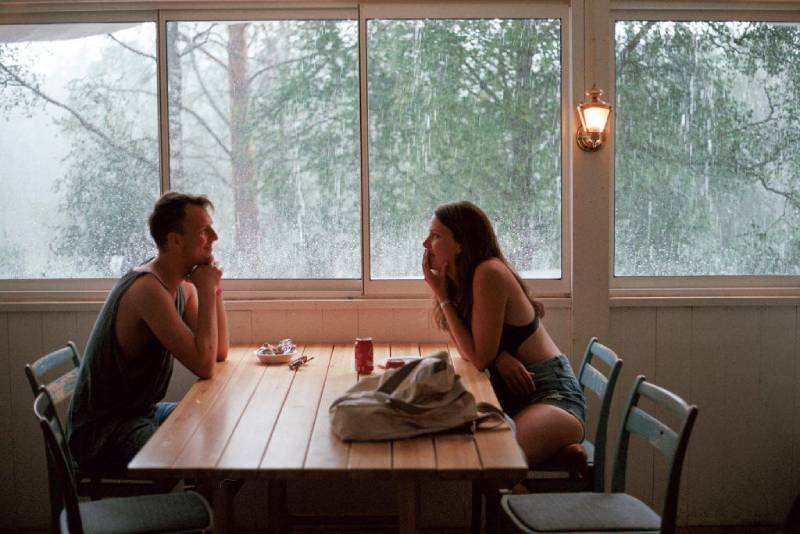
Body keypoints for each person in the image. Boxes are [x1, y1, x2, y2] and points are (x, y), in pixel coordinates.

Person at [67, 192, 229, 472]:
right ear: (175, 241)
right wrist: (204, 288)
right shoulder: (148, 289)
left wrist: (213, 290)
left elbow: (218, 352)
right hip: (103, 431)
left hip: (142, 413)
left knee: (217, 426)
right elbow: (204, 365)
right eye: (204, 230)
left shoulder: (179, 284)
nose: (215, 237)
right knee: (201, 454)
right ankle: (203, 511)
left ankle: (208, 507)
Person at [422, 200, 585, 467]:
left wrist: (441, 296)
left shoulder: (489, 272)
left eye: (436, 236)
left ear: (461, 243)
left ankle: (528, 498)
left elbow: (478, 358)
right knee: (473, 452)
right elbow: (472, 352)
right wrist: (498, 357)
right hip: (517, 399)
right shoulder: (468, 279)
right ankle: (528, 490)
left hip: (552, 397)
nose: (426, 244)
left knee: (491, 461)